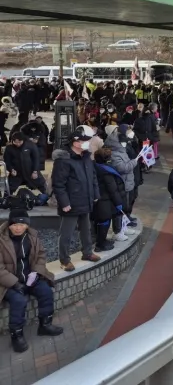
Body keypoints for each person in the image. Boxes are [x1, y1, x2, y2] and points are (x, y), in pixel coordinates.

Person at [0, 209, 63, 353]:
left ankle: (45, 325)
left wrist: (35, 273)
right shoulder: (1, 240)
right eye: (14, 224)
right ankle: (16, 335)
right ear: (9, 224)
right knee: (19, 301)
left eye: (22, 224)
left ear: (27, 225)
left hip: (29, 278)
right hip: (8, 282)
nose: (18, 228)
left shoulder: (32, 238)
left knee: (46, 291)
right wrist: (15, 283)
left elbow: (41, 256)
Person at [52, 126, 102, 272]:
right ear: (76, 143)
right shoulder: (64, 160)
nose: (88, 143)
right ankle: (64, 260)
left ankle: (87, 252)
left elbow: (93, 177)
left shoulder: (86, 157)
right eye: (84, 141)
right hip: (71, 203)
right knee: (66, 233)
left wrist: (95, 194)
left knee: (86, 229)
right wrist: (65, 203)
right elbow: (58, 184)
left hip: (85, 200)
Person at [93, 147, 126, 252]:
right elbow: (113, 190)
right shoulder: (106, 171)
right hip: (105, 201)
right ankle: (101, 244)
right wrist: (119, 203)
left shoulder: (94, 167)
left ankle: (101, 241)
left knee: (98, 222)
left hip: (97, 200)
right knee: (104, 222)